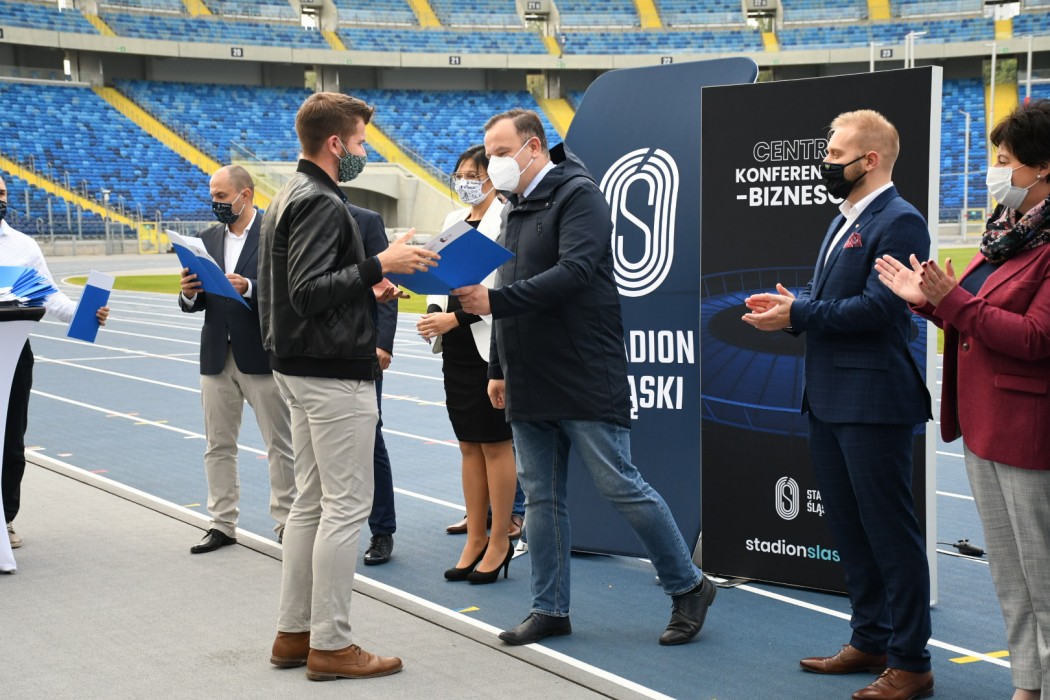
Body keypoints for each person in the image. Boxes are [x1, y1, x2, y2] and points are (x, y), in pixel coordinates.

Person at [453, 109, 715, 646]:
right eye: (490, 154)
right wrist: (498, 367)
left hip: (583, 369)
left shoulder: (580, 195)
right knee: (541, 498)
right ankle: (549, 607)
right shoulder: (514, 207)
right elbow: (505, 283)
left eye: (500, 153)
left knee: (619, 483)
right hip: (527, 374)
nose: (493, 164)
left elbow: (573, 274)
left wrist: (496, 303)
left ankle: (689, 585)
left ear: (533, 147)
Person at [742, 109, 933, 700]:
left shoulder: (900, 221)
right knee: (851, 530)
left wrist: (800, 312)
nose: (824, 163)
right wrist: (792, 306)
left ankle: (911, 662)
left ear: (869, 160)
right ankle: (870, 639)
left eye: (833, 155)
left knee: (890, 534)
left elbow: (879, 309)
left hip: (873, 401)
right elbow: (836, 299)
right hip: (829, 399)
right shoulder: (843, 218)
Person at [875, 99, 1050, 700]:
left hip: (1028, 431)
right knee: (1011, 572)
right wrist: (927, 301)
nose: (996, 171)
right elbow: (971, 316)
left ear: (1043, 167)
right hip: (983, 425)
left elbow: (1035, 338)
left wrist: (951, 300)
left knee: (1042, 575)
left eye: (1006, 160)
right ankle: (1029, 683)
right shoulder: (1006, 232)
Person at [259, 91, 437, 681]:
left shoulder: (288, 193)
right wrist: (381, 264)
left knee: (310, 503)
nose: (364, 151)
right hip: (331, 372)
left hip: (299, 365)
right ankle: (331, 644)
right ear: (336, 143)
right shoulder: (320, 199)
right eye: (360, 141)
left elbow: (304, 288)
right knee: (344, 508)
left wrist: (367, 287)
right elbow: (308, 291)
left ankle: (294, 633)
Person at [179, 164, 296, 554]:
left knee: (279, 445)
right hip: (216, 356)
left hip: (262, 354)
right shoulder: (206, 238)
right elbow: (196, 302)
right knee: (218, 445)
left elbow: (289, 290)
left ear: (245, 195)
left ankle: (288, 523)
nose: (214, 202)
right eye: (212, 195)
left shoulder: (274, 233)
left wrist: (249, 287)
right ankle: (222, 523)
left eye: (221, 196)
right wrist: (189, 293)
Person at [418, 145, 517, 584]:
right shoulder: (452, 220)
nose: (464, 182)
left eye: (473, 175)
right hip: (456, 349)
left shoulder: (508, 217)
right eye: (459, 175)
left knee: (496, 444)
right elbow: (438, 278)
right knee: (467, 445)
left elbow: (503, 289)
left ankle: (500, 539)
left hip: (490, 345)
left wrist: (455, 318)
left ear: (492, 178)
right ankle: (475, 537)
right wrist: (432, 314)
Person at [0, 175, 109, 550]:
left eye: (2, 193)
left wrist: (87, 314)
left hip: (13, 354)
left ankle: (5, 519)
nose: (0, 199)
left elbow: (49, 296)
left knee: (11, 440)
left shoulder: (22, 246)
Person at [349, 202, 399, 567]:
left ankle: (382, 530)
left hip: (360, 348)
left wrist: (383, 342)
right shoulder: (296, 216)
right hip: (310, 353)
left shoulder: (366, 221)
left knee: (370, 438)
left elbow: (387, 285)